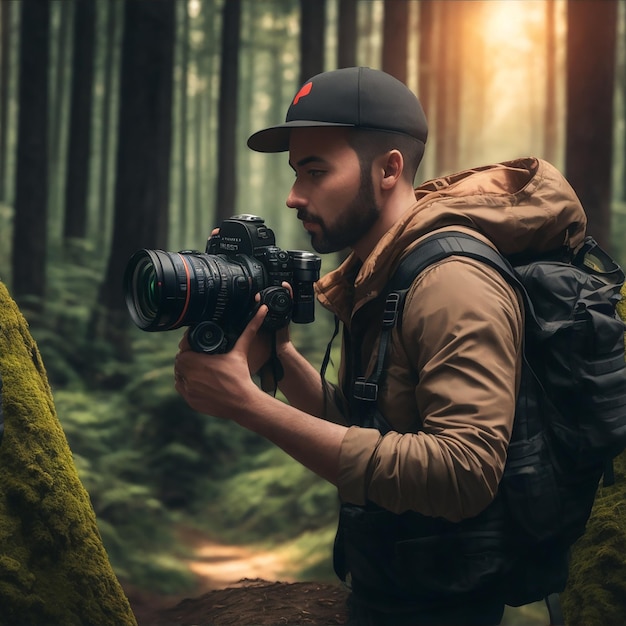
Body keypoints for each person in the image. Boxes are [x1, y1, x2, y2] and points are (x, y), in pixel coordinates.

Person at [174, 67, 586, 625]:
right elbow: (376, 432)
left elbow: (464, 472)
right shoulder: (381, 273)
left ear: (389, 168)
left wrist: (250, 406)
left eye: (316, 171)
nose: (294, 196)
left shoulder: (450, 281)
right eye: (297, 173)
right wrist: (282, 361)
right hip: (388, 597)